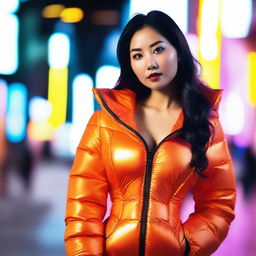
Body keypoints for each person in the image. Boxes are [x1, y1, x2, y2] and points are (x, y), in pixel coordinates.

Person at [64, 10, 236, 256]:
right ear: (130, 64)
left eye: (158, 49)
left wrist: (186, 245)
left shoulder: (204, 123)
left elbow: (219, 203)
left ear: (178, 52)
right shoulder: (104, 121)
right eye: (137, 55)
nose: (150, 63)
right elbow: (83, 206)